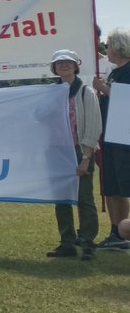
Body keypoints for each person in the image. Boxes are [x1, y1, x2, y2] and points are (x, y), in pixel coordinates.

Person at [47, 49, 102, 260]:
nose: (63, 66)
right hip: (57, 150)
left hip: (80, 150)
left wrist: (86, 157)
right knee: (61, 199)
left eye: (67, 62)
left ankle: (88, 242)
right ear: (54, 68)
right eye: (59, 63)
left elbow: (93, 127)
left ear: (75, 65)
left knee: (84, 198)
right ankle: (67, 242)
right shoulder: (51, 92)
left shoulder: (86, 92)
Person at [93, 28, 130, 252]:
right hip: (110, 134)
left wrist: (103, 89)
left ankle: (123, 232)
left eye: (108, 44)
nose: (105, 48)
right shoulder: (116, 71)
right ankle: (116, 231)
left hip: (123, 135)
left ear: (118, 46)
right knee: (113, 185)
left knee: (123, 183)